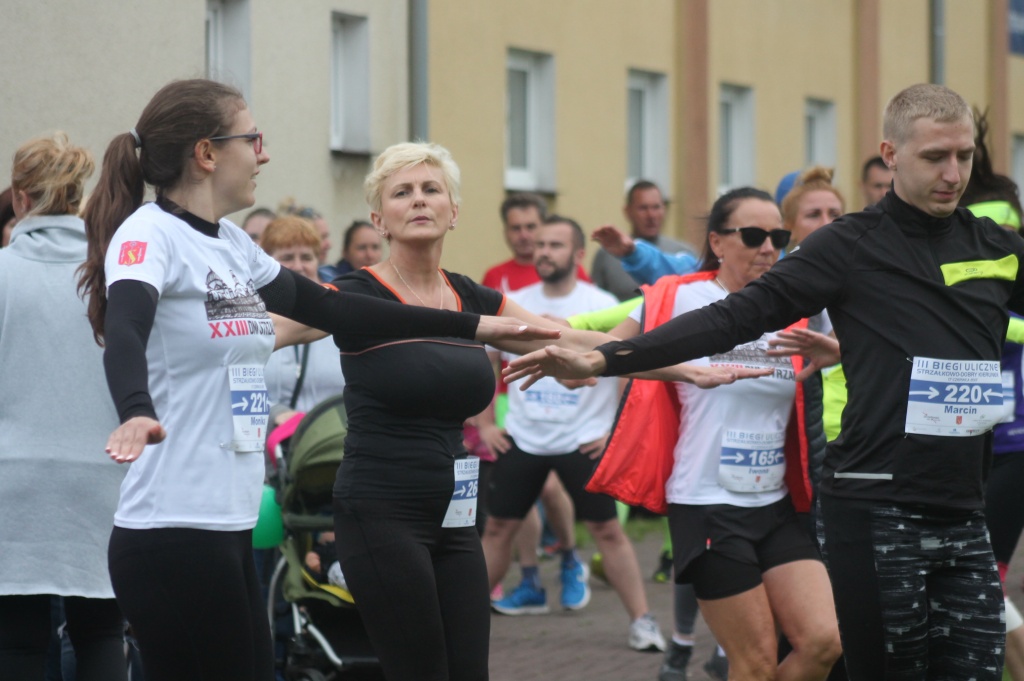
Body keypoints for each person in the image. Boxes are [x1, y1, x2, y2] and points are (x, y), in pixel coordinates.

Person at [506, 83, 1018, 680]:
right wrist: (605, 359)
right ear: (891, 154)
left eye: (964, 156)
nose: (953, 173)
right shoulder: (849, 246)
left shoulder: (997, 247)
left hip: (963, 508)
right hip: (877, 504)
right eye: (935, 157)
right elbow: (733, 316)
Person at [77, 79, 553, 681]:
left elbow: (341, 311)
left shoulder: (230, 245)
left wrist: (476, 323)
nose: (264, 154)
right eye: (253, 139)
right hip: (171, 527)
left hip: (230, 521)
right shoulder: (149, 235)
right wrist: (136, 408)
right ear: (206, 153)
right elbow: (125, 330)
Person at [304, 141, 764, 681]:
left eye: (432, 189)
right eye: (402, 192)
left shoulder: (472, 298)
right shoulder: (355, 294)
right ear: (379, 217)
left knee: (470, 670)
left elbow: (579, 347)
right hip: (379, 511)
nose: (420, 200)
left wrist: (684, 370)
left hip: (454, 517)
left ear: (455, 211)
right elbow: (266, 330)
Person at [481, 216, 667, 652]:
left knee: (607, 532)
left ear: (578, 254)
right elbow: (487, 362)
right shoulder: (514, 303)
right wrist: (486, 423)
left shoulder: (600, 302)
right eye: (540, 244)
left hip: (584, 438)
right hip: (524, 437)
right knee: (497, 530)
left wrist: (614, 430)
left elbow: (625, 367)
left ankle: (643, 621)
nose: (543, 251)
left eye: (555, 245)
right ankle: (460, 623)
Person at [0, 133, 129, 681]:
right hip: (104, 476)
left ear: (21, 198)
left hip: (12, 481)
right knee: (100, 634)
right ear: (77, 198)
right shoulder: (110, 275)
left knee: (17, 645)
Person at [259, 215, 346, 424]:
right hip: (268, 448)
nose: (298, 267)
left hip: (331, 447)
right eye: (288, 257)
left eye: (306, 257)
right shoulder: (251, 317)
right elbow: (230, 387)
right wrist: (275, 413)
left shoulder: (341, 313)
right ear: (266, 261)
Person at [590, 180, 697, 301]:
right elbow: (596, 303)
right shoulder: (607, 256)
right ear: (627, 212)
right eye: (643, 208)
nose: (651, 215)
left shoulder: (683, 253)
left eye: (656, 207)